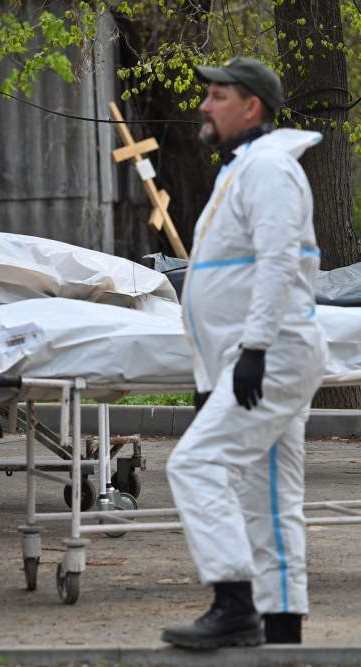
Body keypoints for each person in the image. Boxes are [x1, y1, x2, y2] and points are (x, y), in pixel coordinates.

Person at [162, 57, 327, 649]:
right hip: (260, 355)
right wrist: (219, 365)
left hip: (272, 353)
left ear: (250, 106)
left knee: (194, 465)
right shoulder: (247, 169)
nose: (204, 106)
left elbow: (279, 262)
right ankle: (283, 631)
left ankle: (234, 606)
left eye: (217, 96)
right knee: (271, 500)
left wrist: (254, 349)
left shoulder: (268, 171)